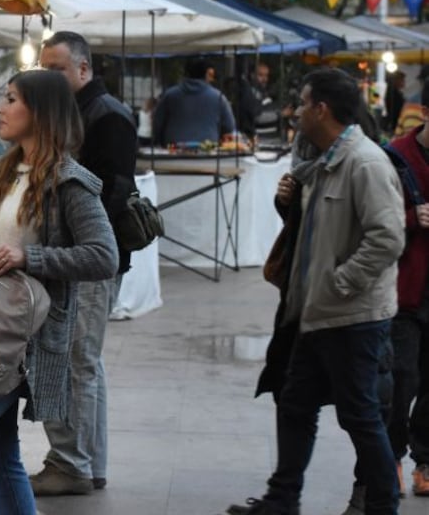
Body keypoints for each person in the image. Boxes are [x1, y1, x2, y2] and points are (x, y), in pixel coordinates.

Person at [0, 68, 118, 514]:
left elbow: (103, 255)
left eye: (12, 99)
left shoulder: (70, 182)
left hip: (26, 343)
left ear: (41, 112)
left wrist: (28, 258)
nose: (1, 107)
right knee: (1, 452)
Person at [226, 68, 406, 515]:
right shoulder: (323, 163)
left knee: (361, 417)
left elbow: (387, 238)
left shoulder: (364, 162)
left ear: (322, 109)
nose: (296, 112)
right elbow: (314, 232)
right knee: (294, 404)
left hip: (352, 317)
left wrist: (340, 282)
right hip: (313, 313)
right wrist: (288, 204)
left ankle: (383, 506)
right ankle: (282, 500)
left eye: (303, 104)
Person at [29, 30, 138, 496]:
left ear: (83, 69)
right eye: (44, 68)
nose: (49, 77)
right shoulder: (70, 113)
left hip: (89, 262)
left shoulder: (106, 116)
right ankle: (86, 464)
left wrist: (72, 246)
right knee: (82, 361)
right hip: (75, 259)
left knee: (76, 360)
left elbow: (109, 194)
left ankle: (73, 463)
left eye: (56, 68)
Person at [386, 83, 429, 498]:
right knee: (402, 378)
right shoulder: (395, 155)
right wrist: (413, 217)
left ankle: (425, 459)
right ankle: (391, 458)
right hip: (405, 287)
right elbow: (372, 217)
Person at [153, 58, 236, 147]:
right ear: (206, 74)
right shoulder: (219, 97)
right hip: (208, 150)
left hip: (173, 150)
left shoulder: (169, 95)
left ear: (186, 73)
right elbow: (229, 127)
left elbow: (157, 125)